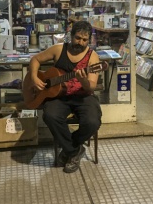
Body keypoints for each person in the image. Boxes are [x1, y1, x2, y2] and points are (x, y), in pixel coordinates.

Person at [24, 20, 101, 173]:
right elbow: (35, 59)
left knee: (92, 122)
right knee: (50, 116)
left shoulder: (93, 58)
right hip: (58, 95)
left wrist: (83, 80)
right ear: (71, 36)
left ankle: (69, 148)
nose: (80, 42)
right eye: (78, 38)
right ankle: (74, 152)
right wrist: (33, 76)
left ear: (89, 40)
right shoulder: (59, 50)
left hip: (83, 97)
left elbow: (91, 86)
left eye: (85, 40)